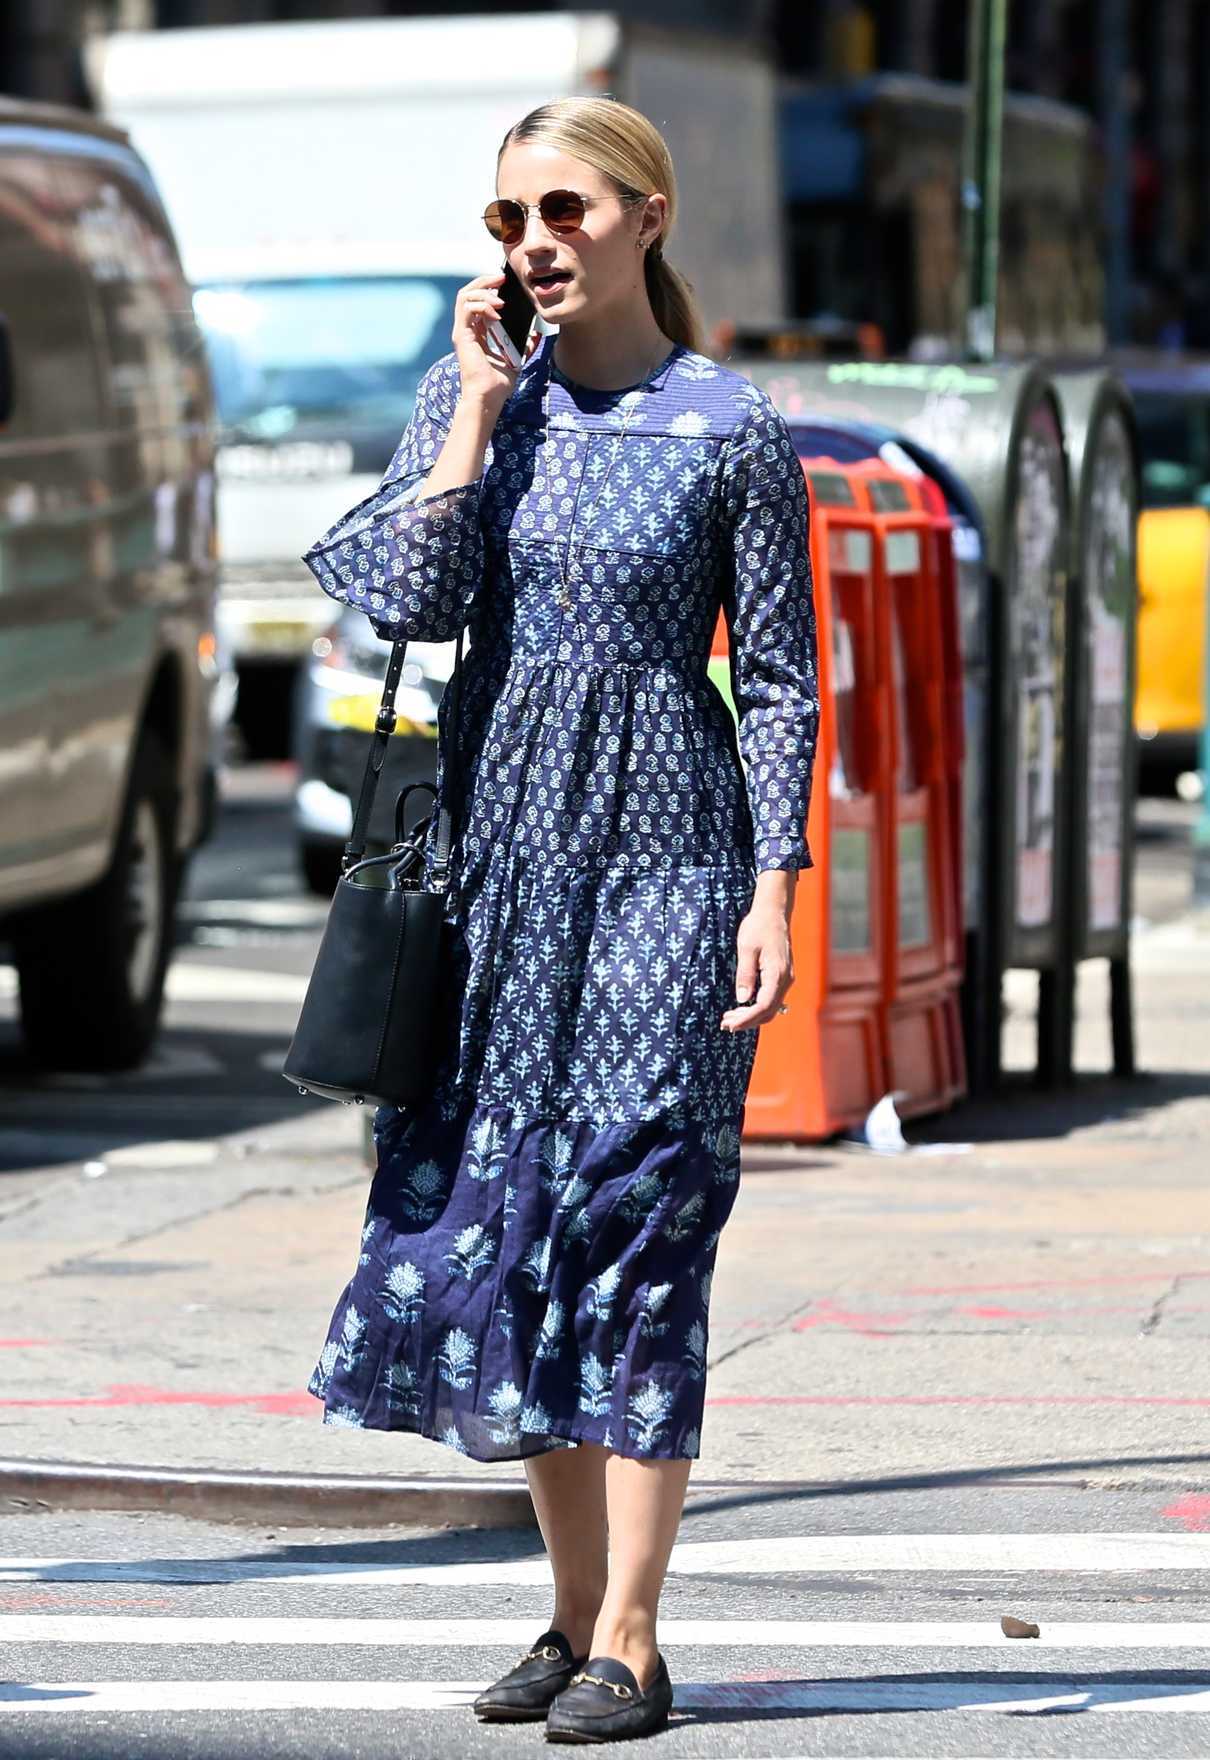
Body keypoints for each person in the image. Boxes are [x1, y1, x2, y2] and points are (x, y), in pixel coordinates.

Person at [302, 95, 818, 1743]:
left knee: (641, 1218)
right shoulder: (483, 410)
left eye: (568, 210)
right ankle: (563, 1614)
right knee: (509, 1234)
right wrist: (468, 413)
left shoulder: (727, 429)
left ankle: (635, 1640)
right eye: (510, 218)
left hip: (669, 866)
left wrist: (772, 886)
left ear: (648, 217)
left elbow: (786, 683)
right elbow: (398, 600)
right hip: (500, 881)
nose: (535, 243)